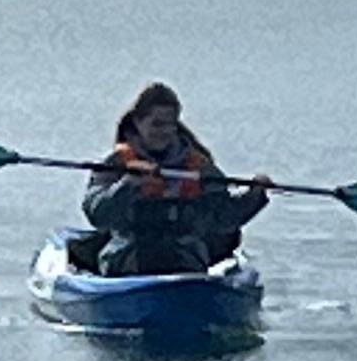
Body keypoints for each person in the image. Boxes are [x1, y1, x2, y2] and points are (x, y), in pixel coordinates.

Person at [78, 84, 270, 275]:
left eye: (170, 124)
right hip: (126, 259)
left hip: (186, 260)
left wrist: (255, 194)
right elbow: (96, 213)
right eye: (156, 124)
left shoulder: (199, 166)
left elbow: (223, 217)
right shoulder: (115, 163)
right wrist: (128, 185)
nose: (164, 131)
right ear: (137, 122)